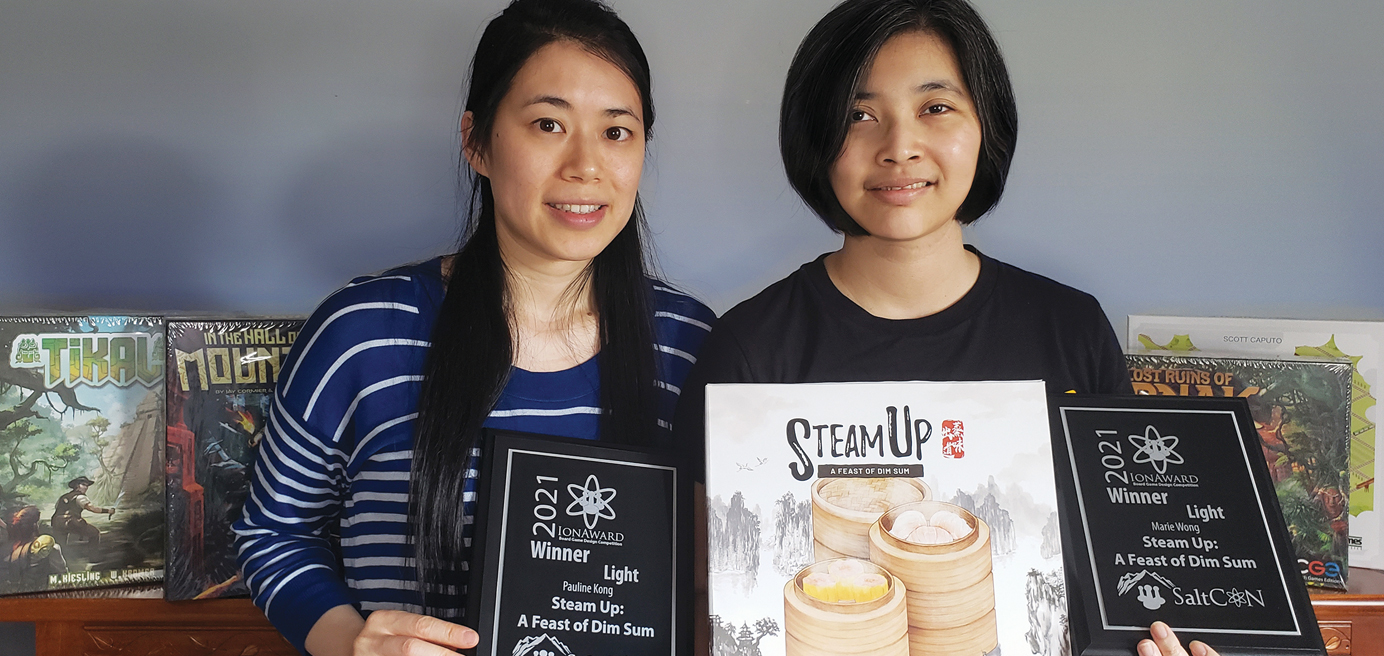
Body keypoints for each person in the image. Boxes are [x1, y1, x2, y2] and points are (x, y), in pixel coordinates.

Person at [673, 1, 1214, 655]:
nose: (899, 146)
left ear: (986, 125)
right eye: (858, 115)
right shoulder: (748, 352)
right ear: (815, 138)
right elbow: (709, 604)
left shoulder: (1070, 331)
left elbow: (1128, 581)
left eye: (935, 107)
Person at [231, 1, 714, 654]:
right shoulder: (362, 333)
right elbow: (272, 531)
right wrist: (350, 643)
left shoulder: (690, 345)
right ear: (477, 140)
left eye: (617, 132)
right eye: (548, 124)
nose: (586, 165)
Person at [51, 476, 114, 549]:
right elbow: (93, 509)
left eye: (87, 485)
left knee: (60, 544)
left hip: (57, 523)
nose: (86, 487)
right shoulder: (81, 497)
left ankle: (61, 559)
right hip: (71, 522)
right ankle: (94, 558)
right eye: (83, 485)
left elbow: (57, 508)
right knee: (94, 533)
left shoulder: (64, 496)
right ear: (77, 486)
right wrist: (109, 511)